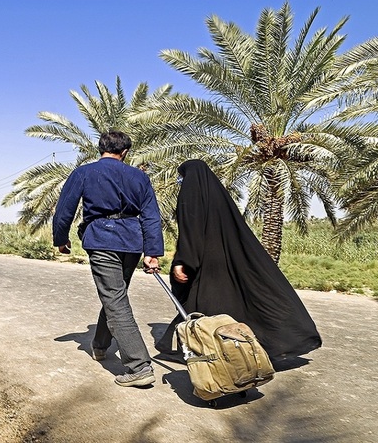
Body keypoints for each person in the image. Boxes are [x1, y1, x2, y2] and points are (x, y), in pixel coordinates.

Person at [155, 159, 322, 361]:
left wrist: (184, 260)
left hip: (204, 260)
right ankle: (232, 347)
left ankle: (212, 350)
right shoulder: (219, 195)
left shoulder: (190, 193)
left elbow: (192, 229)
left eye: (182, 177)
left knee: (203, 304)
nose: (182, 181)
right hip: (224, 257)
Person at [53, 131, 164, 388]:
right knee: (116, 296)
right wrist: (152, 252)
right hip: (132, 242)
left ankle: (139, 366)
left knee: (114, 299)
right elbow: (151, 216)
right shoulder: (140, 177)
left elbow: (64, 209)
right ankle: (100, 345)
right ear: (125, 152)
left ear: (100, 148)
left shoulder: (84, 172)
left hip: (102, 238)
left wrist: (61, 238)